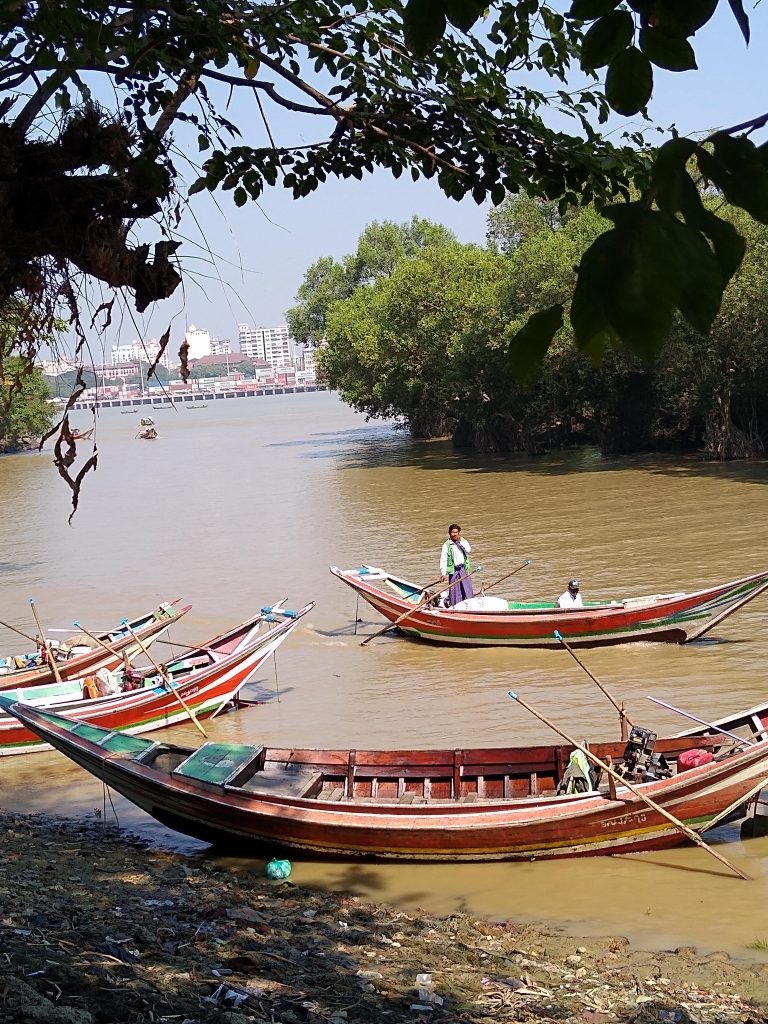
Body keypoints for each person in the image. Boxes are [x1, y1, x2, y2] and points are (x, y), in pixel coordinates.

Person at [440, 523, 474, 607]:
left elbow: (468, 550)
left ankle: (469, 605)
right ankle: (456, 606)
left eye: (456, 532)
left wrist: (460, 542)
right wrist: (443, 573)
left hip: (463, 570)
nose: (455, 534)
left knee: (467, 589)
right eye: (453, 532)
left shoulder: (463, 541)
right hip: (454, 571)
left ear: (459, 533)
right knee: (455, 591)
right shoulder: (446, 545)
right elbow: (443, 559)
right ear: (449, 533)